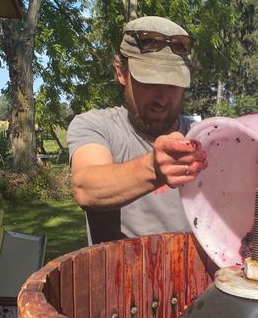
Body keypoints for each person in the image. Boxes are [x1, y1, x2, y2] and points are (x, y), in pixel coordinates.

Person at [67, 15, 207, 245]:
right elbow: (86, 187)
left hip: (193, 277)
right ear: (121, 73)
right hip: (120, 276)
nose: (162, 99)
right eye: (149, 82)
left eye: (172, 85)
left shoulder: (205, 137)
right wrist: (155, 168)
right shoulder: (96, 125)